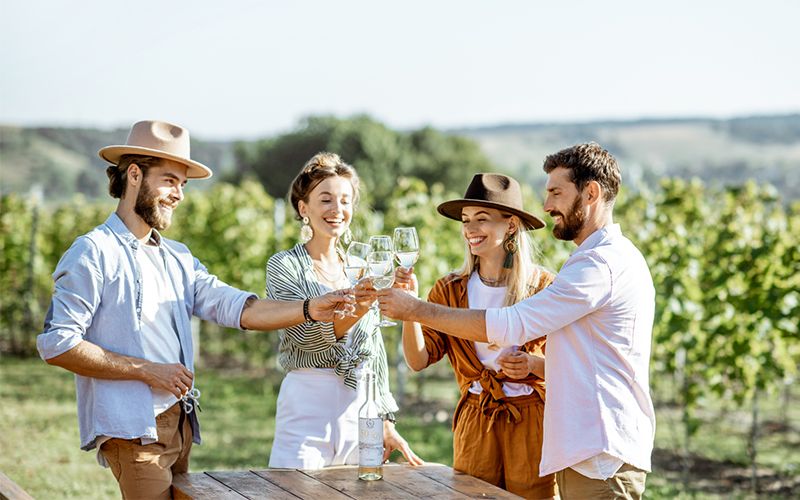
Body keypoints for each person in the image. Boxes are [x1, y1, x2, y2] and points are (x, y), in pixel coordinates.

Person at [36, 120, 352, 500]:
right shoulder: (94, 251)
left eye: (183, 185)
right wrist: (149, 371)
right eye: (170, 180)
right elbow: (58, 343)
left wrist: (309, 308)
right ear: (134, 175)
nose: (179, 195)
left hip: (180, 422)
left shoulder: (178, 257)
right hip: (133, 428)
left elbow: (237, 308)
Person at [378, 142, 655, 499]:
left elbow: (512, 324)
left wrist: (413, 309)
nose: (548, 204)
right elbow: (582, 359)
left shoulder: (592, 267)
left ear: (591, 192)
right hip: (578, 446)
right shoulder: (594, 261)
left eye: (556, 192)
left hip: (594, 448)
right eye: (466, 221)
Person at [394, 173, 558, 498]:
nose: (469, 229)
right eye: (466, 220)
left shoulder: (544, 288)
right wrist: (409, 310)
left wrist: (532, 365)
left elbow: (569, 366)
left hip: (530, 421)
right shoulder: (450, 289)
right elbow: (417, 361)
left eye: (481, 219)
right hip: (476, 417)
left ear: (510, 225)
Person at [265, 152, 423, 469]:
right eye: (326, 200)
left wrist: (385, 418)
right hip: (307, 406)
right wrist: (361, 307)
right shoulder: (284, 266)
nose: (337, 210)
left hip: (359, 410)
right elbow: (305, 337)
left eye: (345, 201)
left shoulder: (364, 269)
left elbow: (373, 350)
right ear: (303, 208)